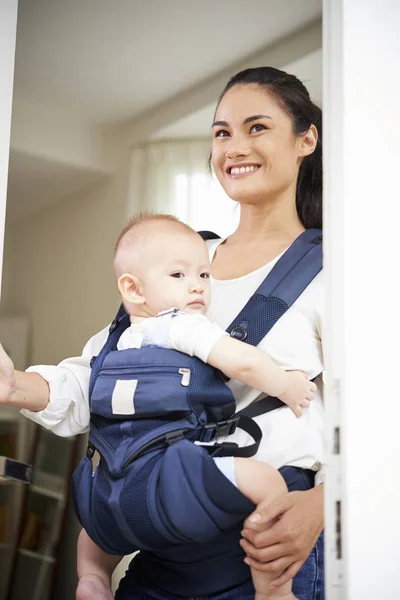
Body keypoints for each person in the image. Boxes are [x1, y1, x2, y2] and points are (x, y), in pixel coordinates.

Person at [0, 66, 324, 600]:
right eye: (222, 132)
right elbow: (105, 375)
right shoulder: (178, 258)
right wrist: (17, 387)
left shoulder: (332, 269)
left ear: (305, 138)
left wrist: (320, 507)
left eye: (257, 127)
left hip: (269, 545)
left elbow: (377, 424)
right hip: (163, 539)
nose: (234, 147)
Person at [73, 212, 316, 600]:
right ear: (133, 289)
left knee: (98, 528)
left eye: (204, 275)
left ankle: (92, 578)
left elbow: (78, 387)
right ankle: (273, 591)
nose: (198, 287)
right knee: (267, 481)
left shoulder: (116, 342)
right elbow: (243, 362)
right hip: (175, 473)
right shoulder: (183, 325)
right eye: (179, 276)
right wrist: (286, 384)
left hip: (120, 477)